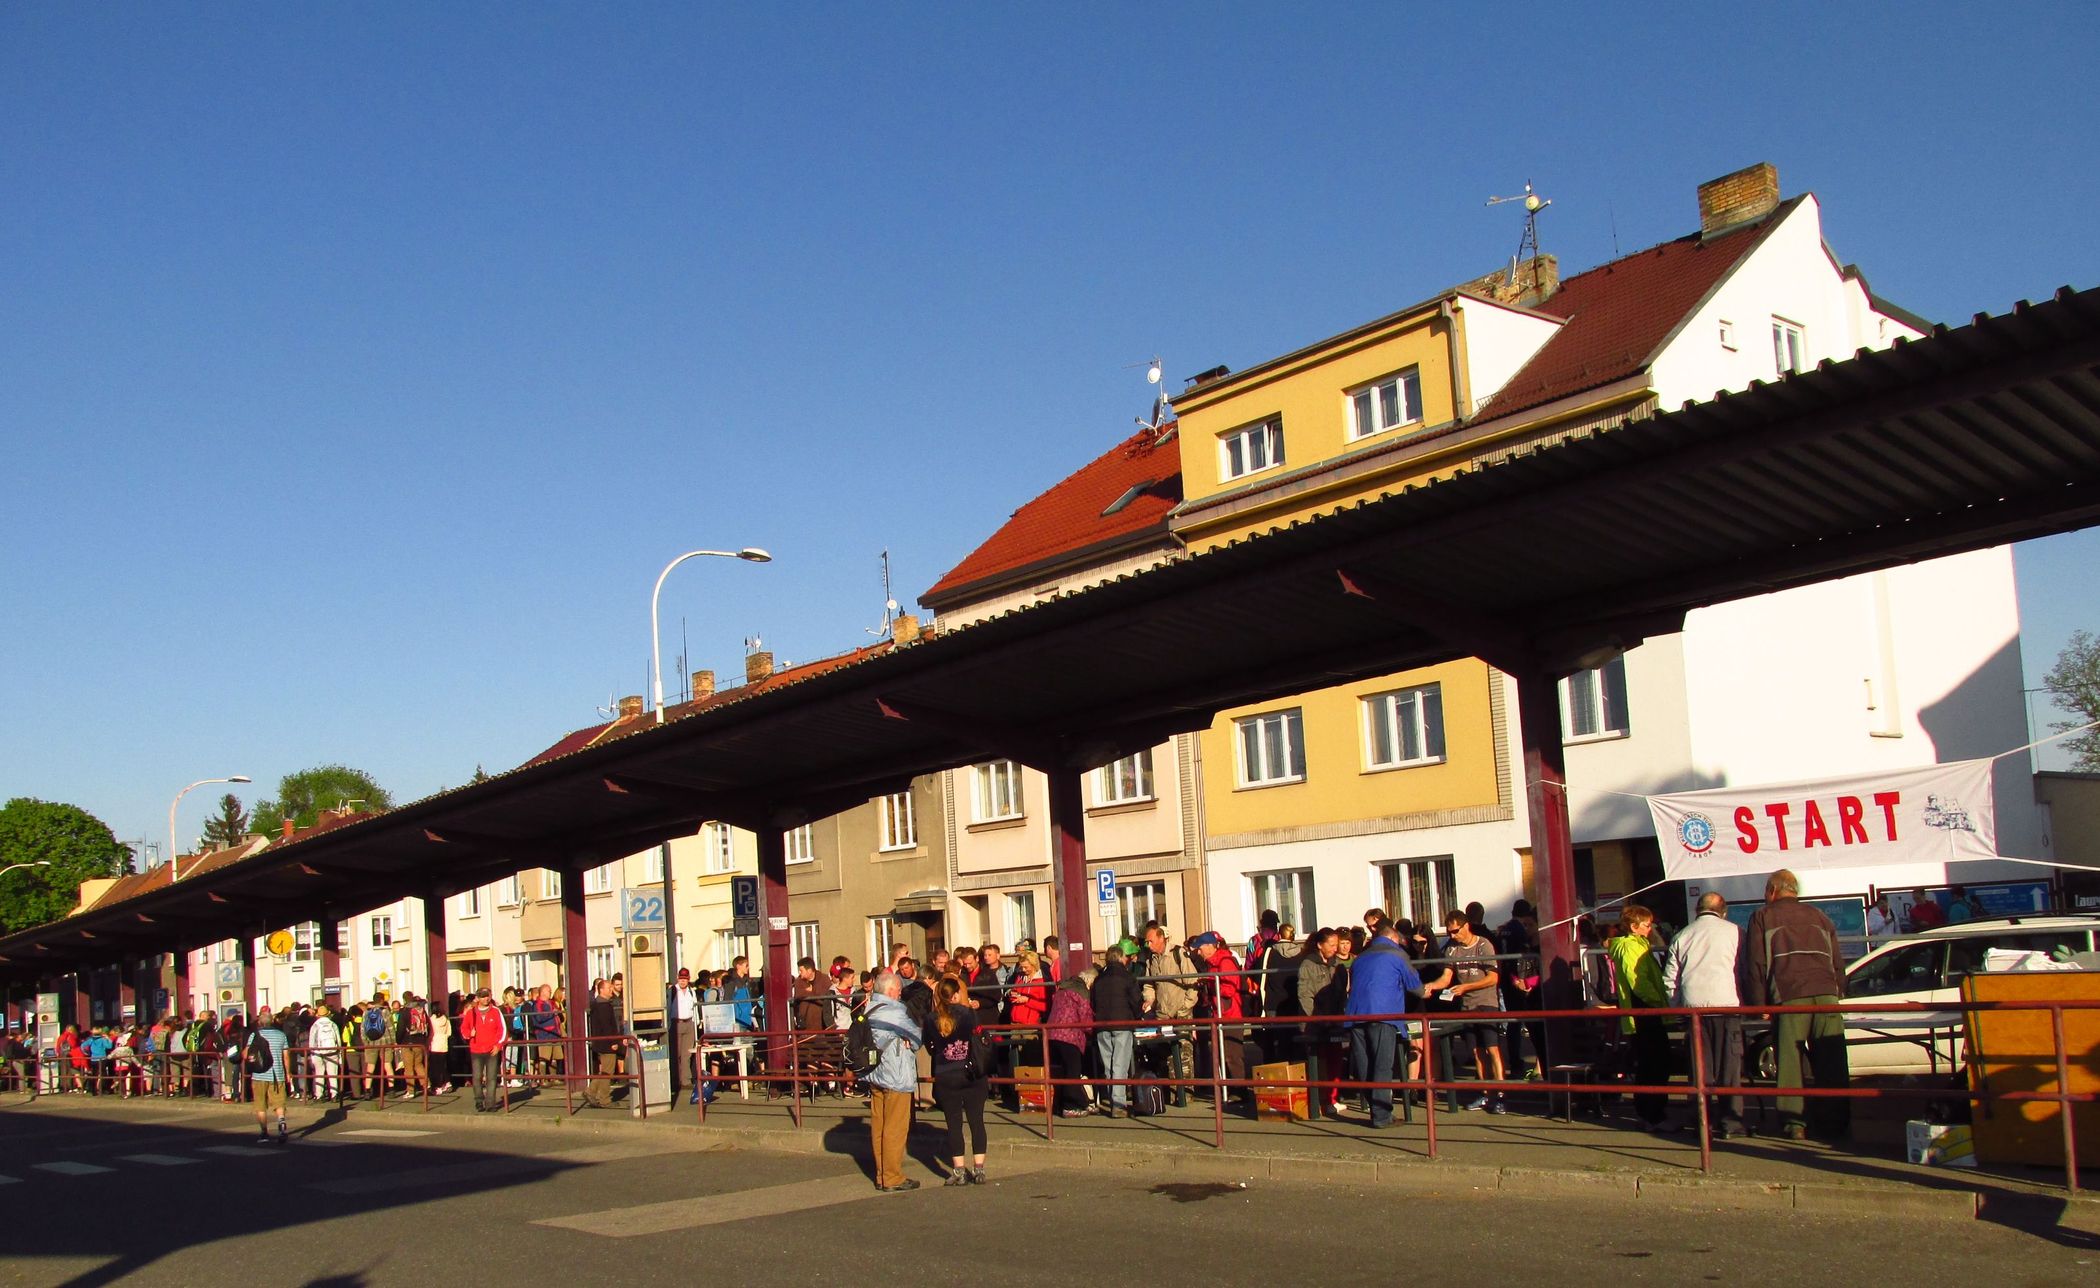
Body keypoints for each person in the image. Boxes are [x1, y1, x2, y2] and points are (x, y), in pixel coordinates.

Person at [1745, 869, 1849, 1141]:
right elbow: (1837, 960)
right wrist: (1838, 991)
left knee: (1789, 1062)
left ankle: (1795, 1124)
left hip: (1789, 993)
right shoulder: (1820, 916)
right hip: (1827, 993)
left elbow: (1756, 963)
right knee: (1832, 1060)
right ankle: (1836, 1124)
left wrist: (1759, 1004)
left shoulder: (1762, 916)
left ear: (1772, 891)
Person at [1664, 892, 1747, 1138]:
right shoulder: (1735, 932)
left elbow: (1670, 980)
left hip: (1694, 1010)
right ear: (1723, 911)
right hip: (1727, 1007)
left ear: (1697, 910)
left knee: (1700, 1071)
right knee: (1729, 1069)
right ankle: (1731, 1123)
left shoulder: (1682, 935)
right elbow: (1743, 970)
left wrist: (1677, 1008)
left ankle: (1702, 1121)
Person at [1421, 909, 1508, 1114]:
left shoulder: (1483, 945)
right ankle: (1485, 1093)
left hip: (1486, 1004)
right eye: (1449, 932)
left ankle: (1501, 1094)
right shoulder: (1452, 949)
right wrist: (1431, 986)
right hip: (1467, 1006)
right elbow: (1446, 978)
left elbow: (1493, 978)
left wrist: (1466, 987)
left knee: (1492, 1049)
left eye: (1455, 931)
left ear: (1466, 926)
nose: (1452, 935)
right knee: (1476, 1052)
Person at [1341, 921, 1423, 1129]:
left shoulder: (1361, 958)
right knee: (1382, 1064)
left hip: (1356, 1015)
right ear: (1394, 938)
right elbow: (1416, 987)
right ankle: (1381, 1116)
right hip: (1383, 1014)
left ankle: (1375, 1109)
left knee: (1364, 1064)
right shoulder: (1397, 954)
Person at [1605, 905, 1671, 1131]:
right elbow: (1638, 981)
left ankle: (1649, 1113)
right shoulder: (1631, 947)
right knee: (1655, 1065)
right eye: (1646, 925)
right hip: (1644, 1012)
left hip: (1642, 1012)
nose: (1650, 928)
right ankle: (1653, 1114)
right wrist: (1660, 1002)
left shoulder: (1635, 945)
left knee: (1650, 1065)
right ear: (1634, 927)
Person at [925, 975, 989, 1186]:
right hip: (971, 1072)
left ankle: (959, 1170)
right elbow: (981, 1038)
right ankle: (979, 1169)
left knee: (953, 1124)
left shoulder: (931, 1018)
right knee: (976, 1121)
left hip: (946, 1073)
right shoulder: (970, 1014)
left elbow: (929, 1046)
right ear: (956, 994)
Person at [861, 970, 921, 1191]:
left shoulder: (869, 1007)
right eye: (898, 989)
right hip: (895, 1074)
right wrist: (908, 1039)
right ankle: (892, 1177)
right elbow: (917, 1037)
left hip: (874, 1073)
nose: (900, 993)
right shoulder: (894, 1011)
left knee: (879, 1125)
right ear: (890, 990)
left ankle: (881, 1175)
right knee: (895, 1128)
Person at [1187, 931, 1250, 1113]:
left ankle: (1240, 1091)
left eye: (1200, 948)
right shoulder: (1213, 964)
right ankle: (1230, 1089)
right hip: (1219, 1013)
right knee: (1222, 1053)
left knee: (1232, 1054)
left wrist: (1210, 982)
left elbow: (1230, 988)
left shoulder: (1225, 962)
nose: (1199, 952)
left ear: (1210, 946)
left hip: (1231, 1014)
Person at [1138, 921, 1197, 1107]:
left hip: (1181, 1013)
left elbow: (1193, 982)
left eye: (1151, 941)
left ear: (1161, 938)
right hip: (1162, 1015)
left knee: (1183, 1054)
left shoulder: (1178, 954)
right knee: (1165, 1054)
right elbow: (1149, 984)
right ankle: (1170, 1093)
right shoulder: (1151, 960)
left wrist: (1185, 1008)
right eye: (1146, 942)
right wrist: (1150, 999)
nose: (1148, 945)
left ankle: (1185, 1094)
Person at [1296, 928, 1349, 1118]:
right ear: (1320, 945)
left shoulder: (1337, 965)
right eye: (1331, 945)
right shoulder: (1308, 965)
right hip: (1315, 1023)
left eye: (1336, 944)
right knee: (1318, 1062)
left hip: (1335, 1020)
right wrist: (1316, 1018)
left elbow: (1342, 994)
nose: (1335, 948)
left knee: (1336, 1059)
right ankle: (1319, 1101)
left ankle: (1332, 1098)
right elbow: (1305, 995)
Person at [1089, 944, 1143, 1117]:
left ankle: (1113, 1100)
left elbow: (1093, 1003)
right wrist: (1137, 1017)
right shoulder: (1127, 977)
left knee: (1108, 1065)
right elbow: (1136, 1001)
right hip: (1122, 1023)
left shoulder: (1099, 979)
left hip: (1102, 1025)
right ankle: (1118, 1104)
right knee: (1120, 1064)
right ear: (1121, 958)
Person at [458, 987, 509, 1112]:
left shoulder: (496, 1011)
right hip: (476, 1050)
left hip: (492, 1050)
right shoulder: (471, 1013)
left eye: (487, 996)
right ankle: (479, 1101)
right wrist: (469, 1034)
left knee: (491, 1078)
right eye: (482, 996)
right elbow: (463, 1029)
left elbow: (502, 1029)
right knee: (477, 1077)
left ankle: (490, 1103)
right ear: (477, 998)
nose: (486, 998)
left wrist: (498, 1045)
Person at [584, 977, 620, 1109]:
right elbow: (607, 1026)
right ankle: (604, 1098)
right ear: (601, 990)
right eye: (609, 988)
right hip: (606, 1042)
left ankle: (591, 1091)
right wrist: (613, 1041)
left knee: (605, 1070)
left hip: (600, 1041)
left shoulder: (598, 1004)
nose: (611, 990)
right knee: (607, 1071)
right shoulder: (603, 1006)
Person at [308, 1002, 343, 1104]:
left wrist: (312, 1053)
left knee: (319, 1074)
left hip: (318, 1052)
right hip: (332, 1051)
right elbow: (338, 1039)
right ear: (328, 1014)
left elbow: (312, 1041)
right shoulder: (333, 1024)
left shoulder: (315, 1025)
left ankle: (319, 1095)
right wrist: (339, 1051)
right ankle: (334, 1095)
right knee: (333, 1074)